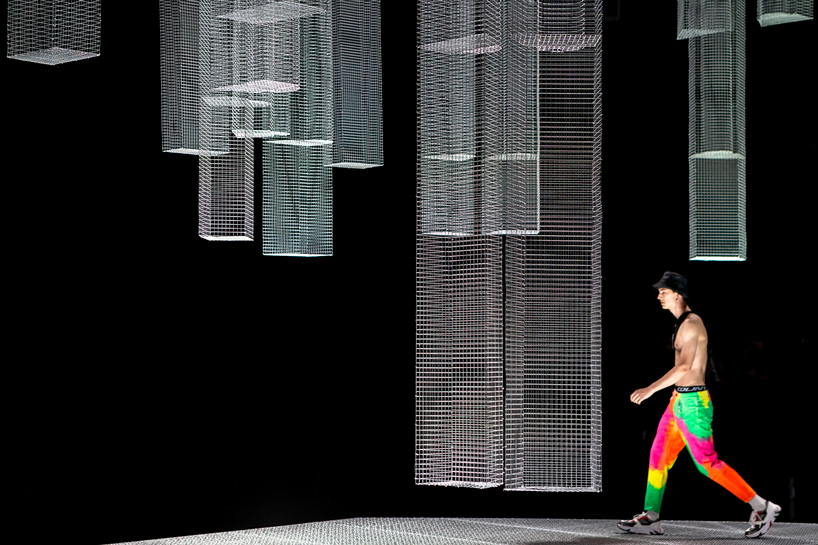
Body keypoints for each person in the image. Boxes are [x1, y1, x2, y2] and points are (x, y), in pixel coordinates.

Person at [617, 271, 780, 539]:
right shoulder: (681, 323)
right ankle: (651, 517)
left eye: (664, 292)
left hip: (693, 404)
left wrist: (649, 390)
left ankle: (762, 507)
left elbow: (683, 367)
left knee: (707, 463)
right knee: (658, 457)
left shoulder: (691, 324)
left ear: (678, 295)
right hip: (678, 401)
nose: (659, 296)